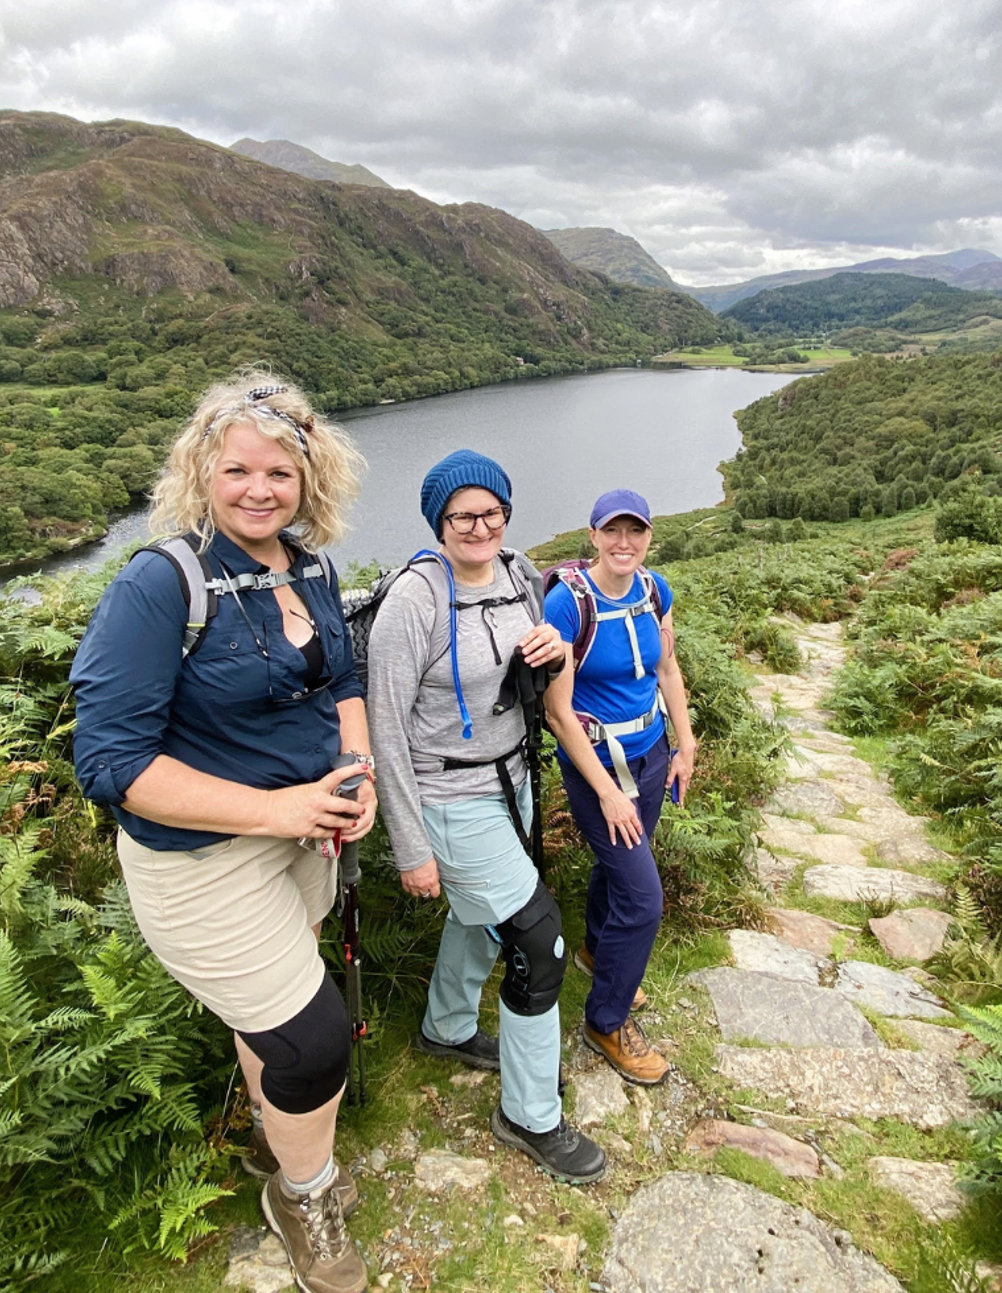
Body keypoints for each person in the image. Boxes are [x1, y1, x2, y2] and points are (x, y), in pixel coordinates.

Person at [69, 371, 375, 1293]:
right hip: (201, 858)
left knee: (271, 1012)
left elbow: (342, 678)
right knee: (314, 1037)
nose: (258, 490)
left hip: (302, 837)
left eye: (279, 472)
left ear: (308, 478)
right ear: (202, 472)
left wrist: (353, 773)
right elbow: (111, 762)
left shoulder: (307, 564)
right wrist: (277, 808)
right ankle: (304, 1196)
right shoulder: (162, 584)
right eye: (237, 469)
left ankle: (269, 1141)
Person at [366, 449, 608, 1184]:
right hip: (446, 793)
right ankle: (529, 1114)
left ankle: (446, 1027)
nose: (480, 525)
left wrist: (558, 647)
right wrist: (409, 844)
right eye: (462, 514)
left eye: (492, 511)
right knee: (538, 939)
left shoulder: (518, 574)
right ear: (438, 521)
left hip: (512, 780)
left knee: (478, 915)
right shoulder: (414, 600)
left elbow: (540, 667)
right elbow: (384, 726)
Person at [541, 489, 695, 1087]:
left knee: (618, 872)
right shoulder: (567, 605)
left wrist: (685, 743)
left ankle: (596, 954)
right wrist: (605, 790)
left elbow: (667, 669)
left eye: (635, 532)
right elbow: (558, 713)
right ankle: (606, 1020)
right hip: (597, 768)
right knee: (644, 898)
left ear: (649, 537)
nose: (624, 543)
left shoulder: (656, 591)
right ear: (594, 535)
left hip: (652, 755)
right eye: (613, 532)